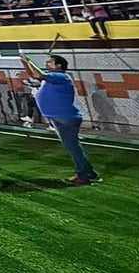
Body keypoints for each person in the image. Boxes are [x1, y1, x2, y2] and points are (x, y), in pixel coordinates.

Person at [19, 53, 99, 185]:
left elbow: (39, 74)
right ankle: (89, 172)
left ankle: (83, 175)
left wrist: (29, 61)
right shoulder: (53, 78)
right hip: (59, 118)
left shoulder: (61, 76)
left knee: (72, 147)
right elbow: (34, 75)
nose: (46, 64)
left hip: (65, 118)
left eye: (50, 62)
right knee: (73, 147)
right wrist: (25, 63)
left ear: (58, 66)